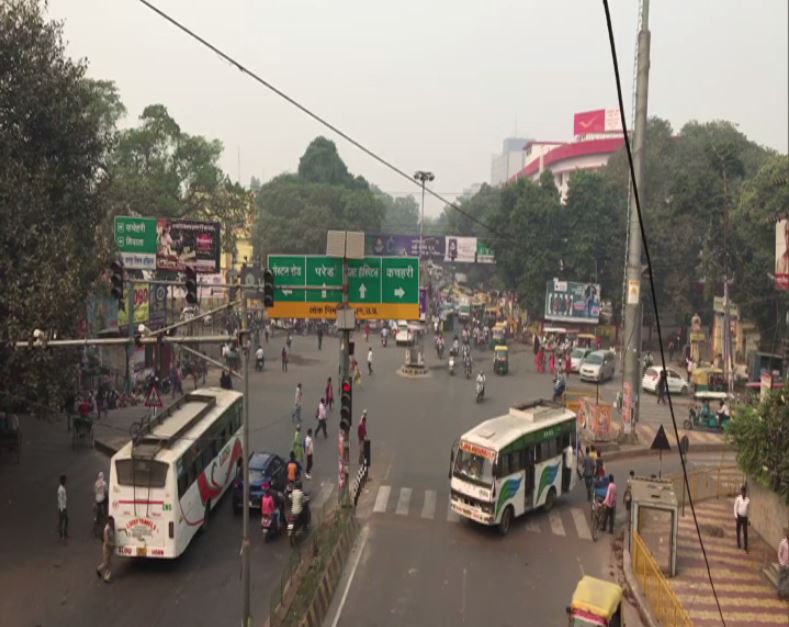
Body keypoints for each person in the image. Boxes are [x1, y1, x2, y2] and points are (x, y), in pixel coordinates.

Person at [96, 516, 115, 582]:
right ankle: (106, 578)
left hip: (110, 548)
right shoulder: (106, 529)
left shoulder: (111, 527)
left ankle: (99, 570)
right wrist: (113, 544)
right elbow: (106, 541)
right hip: (107, 548)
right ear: (109, 521)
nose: (112, 522)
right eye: (111, 521)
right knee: (107, 563)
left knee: (107, 563)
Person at [734, 485, 750, 552]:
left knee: (745, 532)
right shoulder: (738, 499)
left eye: (744, 492)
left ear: (746, 492)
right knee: (738, 530)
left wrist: (749, 519)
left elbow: (749, 510)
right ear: (741, 492)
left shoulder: (748, 500)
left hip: (745, 518)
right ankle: (738, 543)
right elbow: (735, 507)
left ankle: (746, 546)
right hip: (739, 517)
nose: (743, 493)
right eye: (742, 491)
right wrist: (736, 516)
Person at [778, 527, 789, 600]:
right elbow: (779, 552)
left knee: (787, 580)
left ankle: (785, 593)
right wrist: (781, 562)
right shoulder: (783, 542)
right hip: (783, 565)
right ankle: (780, 593)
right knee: (781, 579)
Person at [57, 474, 68, 540]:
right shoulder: (60, 489)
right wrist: (62, 509)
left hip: (63, 507)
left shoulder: (62, 488)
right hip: (62, 508)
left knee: (65, 520)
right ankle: (61, 534)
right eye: (65, 480)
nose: (65, 481)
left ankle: (64, 533)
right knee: (62, 521)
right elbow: (60, 499)